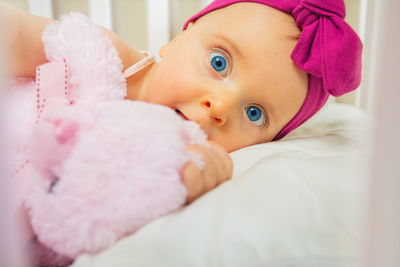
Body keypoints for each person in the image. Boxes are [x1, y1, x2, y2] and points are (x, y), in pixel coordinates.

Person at [1, 0, 362, 204]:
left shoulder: (186, 159)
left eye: (254, 114)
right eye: (219, 62)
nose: (219, 106)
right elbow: (14, 35)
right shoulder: (98, 55)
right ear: (176, 40)